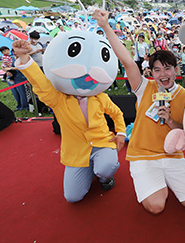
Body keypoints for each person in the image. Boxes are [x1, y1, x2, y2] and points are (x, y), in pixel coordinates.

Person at [92, 9, 185, 215]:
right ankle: (153, 185)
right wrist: (106, 26)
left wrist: (169, 120)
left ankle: (165, 183)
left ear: (176, 70)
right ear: (150, 72)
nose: (163, 74)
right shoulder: (144, 87)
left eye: (168, 68)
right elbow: (126, 61)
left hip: (172, 156)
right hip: (142, 156)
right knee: (156, 206)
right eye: (158, 70)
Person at [12, 39, 126, 203]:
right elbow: (41, 84)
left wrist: (121, 132)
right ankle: (92, 169)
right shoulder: (58, 99)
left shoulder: (101, 97)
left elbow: (117, 113)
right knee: (73, 197)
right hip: (76, 151)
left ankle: (104, 177)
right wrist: (24, 58)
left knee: (106, 168)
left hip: (102, 143)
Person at [0, 46, 29, 111]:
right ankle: (19, 106)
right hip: (11, 78)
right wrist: (7, 71)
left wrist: (11, 68)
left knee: (22, 93)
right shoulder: (11, 58)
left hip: (21, 78)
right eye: (14, 51)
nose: (16, 53)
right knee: (15, 92)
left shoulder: (24, 59)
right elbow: (3, 66)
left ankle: (24, 106)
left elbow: (23, 68)